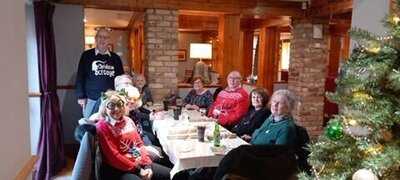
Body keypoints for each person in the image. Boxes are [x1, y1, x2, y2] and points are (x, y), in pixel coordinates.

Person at [95, 90, 170, 180]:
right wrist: (138, 170)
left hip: (137, 161)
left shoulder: (128, 121)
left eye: (119, 104)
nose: (117, 109)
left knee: (171, 175)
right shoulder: (102, 127)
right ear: (104, 109)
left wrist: (147, 165)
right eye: (111, 105)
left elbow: (139, 144)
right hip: (119, 169)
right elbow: (114, 156)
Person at [75, 27, 124, 118]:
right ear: (96, 39)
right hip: (91, 99)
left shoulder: (115, 58)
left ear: (109, 40)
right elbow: (80, 76)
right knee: (90, 125)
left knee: (109, 127)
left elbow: (121, 79)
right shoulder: (86, 55)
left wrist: (121, 96)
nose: (103, 39)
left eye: (105, 37)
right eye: (100, 37)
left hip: (111, 100)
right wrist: (81, 96)